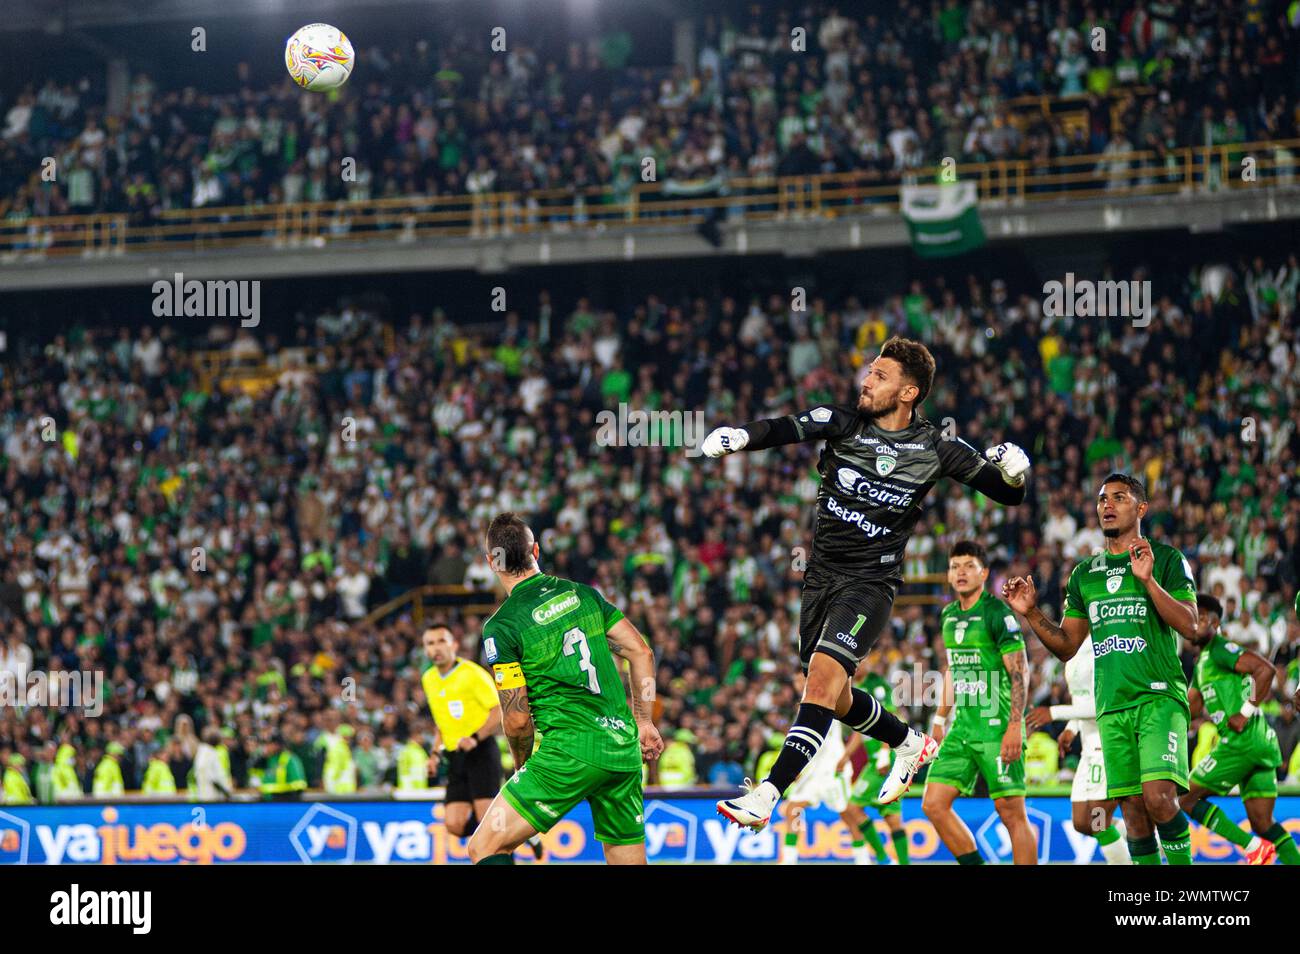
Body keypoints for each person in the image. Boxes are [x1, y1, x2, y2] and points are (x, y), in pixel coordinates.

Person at [701, 336, 1030, 829]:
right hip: (820, 579)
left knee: (818, 683)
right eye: (868, 371)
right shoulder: (843, 422)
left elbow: (1007, 496)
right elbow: (786, 428)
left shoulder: (935, 447)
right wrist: (739, 437)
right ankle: (909, 742)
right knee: (834, 697)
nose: (866, 379)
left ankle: (768, 792)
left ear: (908, 393)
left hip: (870, 583)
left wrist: (1015, 472)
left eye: (879, 375)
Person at [1004, 473, 1198, 865]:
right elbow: (1066, 646)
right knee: (1133, 813)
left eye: (1119, 498)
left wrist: (1149, 583)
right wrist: (1030, 613)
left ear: (1141, 509)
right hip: (1111, 706)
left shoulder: (1167, 559)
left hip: (1158, 697)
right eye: (1101, 499)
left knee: (1159, 799)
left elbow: (1191, 626)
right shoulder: (1084, 574)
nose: (1107, 505)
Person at [467, 513, 665, 865]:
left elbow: (515, 720)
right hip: (622, 750)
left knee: (484, 847)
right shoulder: (584, 595)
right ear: (536, 551)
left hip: (568, 753)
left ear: (491, 562)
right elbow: (641, 652)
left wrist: (522, 765)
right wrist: (645, 722)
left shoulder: (503, 625)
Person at [921, 541, 1035, 865]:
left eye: (969, 565)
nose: (961, 572)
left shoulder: (997, 612)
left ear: (983, 573)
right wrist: (940, 721)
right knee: (933, 803)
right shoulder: (948, 615)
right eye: (955, 566)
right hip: (962, 729)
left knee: (1011, 813)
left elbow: (1019, 672)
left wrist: (1015, 726)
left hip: (998, 728)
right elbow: (954, 671)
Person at [1178, 593, 1297, 865]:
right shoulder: (1202, 664)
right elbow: (1190, 708)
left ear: (1213, 622)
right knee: (1263, 823)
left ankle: (1253, 848)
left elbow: (1264, 670)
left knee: (1185, 798)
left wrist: (1243, 713)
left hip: (1242, 741)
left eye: (1199, 618)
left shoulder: (1220, 649)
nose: (1192, 624)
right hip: (1261, 742)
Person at [1026, 624, 1132, 864]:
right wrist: (1072, 728)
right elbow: (1084, 699)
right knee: (1083, 822)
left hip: (1110, 743)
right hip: (1088, 747)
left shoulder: (1104, 647)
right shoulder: (1075, 652)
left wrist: (1054, 713)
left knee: (1098, 819)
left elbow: (1105, 705)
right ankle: (1145, 837)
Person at [420, 625, 504, 837]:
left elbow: (498, 709)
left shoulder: (472, 673)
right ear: (425, 650)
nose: (436, 648)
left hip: (481, 751)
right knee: (454, 824)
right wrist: (435, 754)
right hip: (455, 756)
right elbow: (441, 722)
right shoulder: (428, 679)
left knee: (489, 826)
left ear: (454, 645)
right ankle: (512, 830)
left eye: (441, 641)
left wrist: (475, 738)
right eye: (430, 643)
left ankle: (501, 844)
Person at [838, 657, 910, 864]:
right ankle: (901, 863)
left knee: (853, 807)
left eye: (860, 662)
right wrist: (845, 756)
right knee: (892, 818)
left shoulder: (876, 685)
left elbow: (890, 718)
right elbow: (860, 733)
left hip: (886, 758)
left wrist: (884, 754)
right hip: (886, 759)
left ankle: (882, 858)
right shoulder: (856, 688)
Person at [192, 727, 234, 801]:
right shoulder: (208, 753)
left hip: (207, 796)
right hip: (211, 798)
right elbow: (213, 778)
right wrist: (226, 792)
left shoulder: (204, 752)